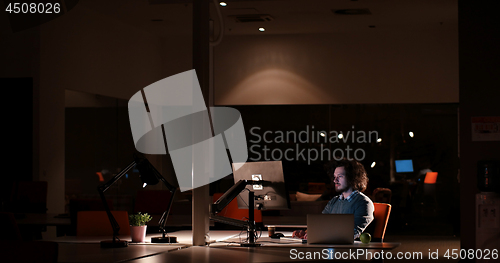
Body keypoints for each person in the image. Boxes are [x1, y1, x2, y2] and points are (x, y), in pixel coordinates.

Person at [293, 158, 374, 240]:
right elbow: (321, 223)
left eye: (340, 176)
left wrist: (320, 235)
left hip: (351, 251)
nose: (335, 180)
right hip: (332, 247)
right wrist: (307, 232)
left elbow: (352, 233)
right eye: (334, 177)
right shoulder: (334, 201)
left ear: (352, 178)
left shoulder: (364, 203)